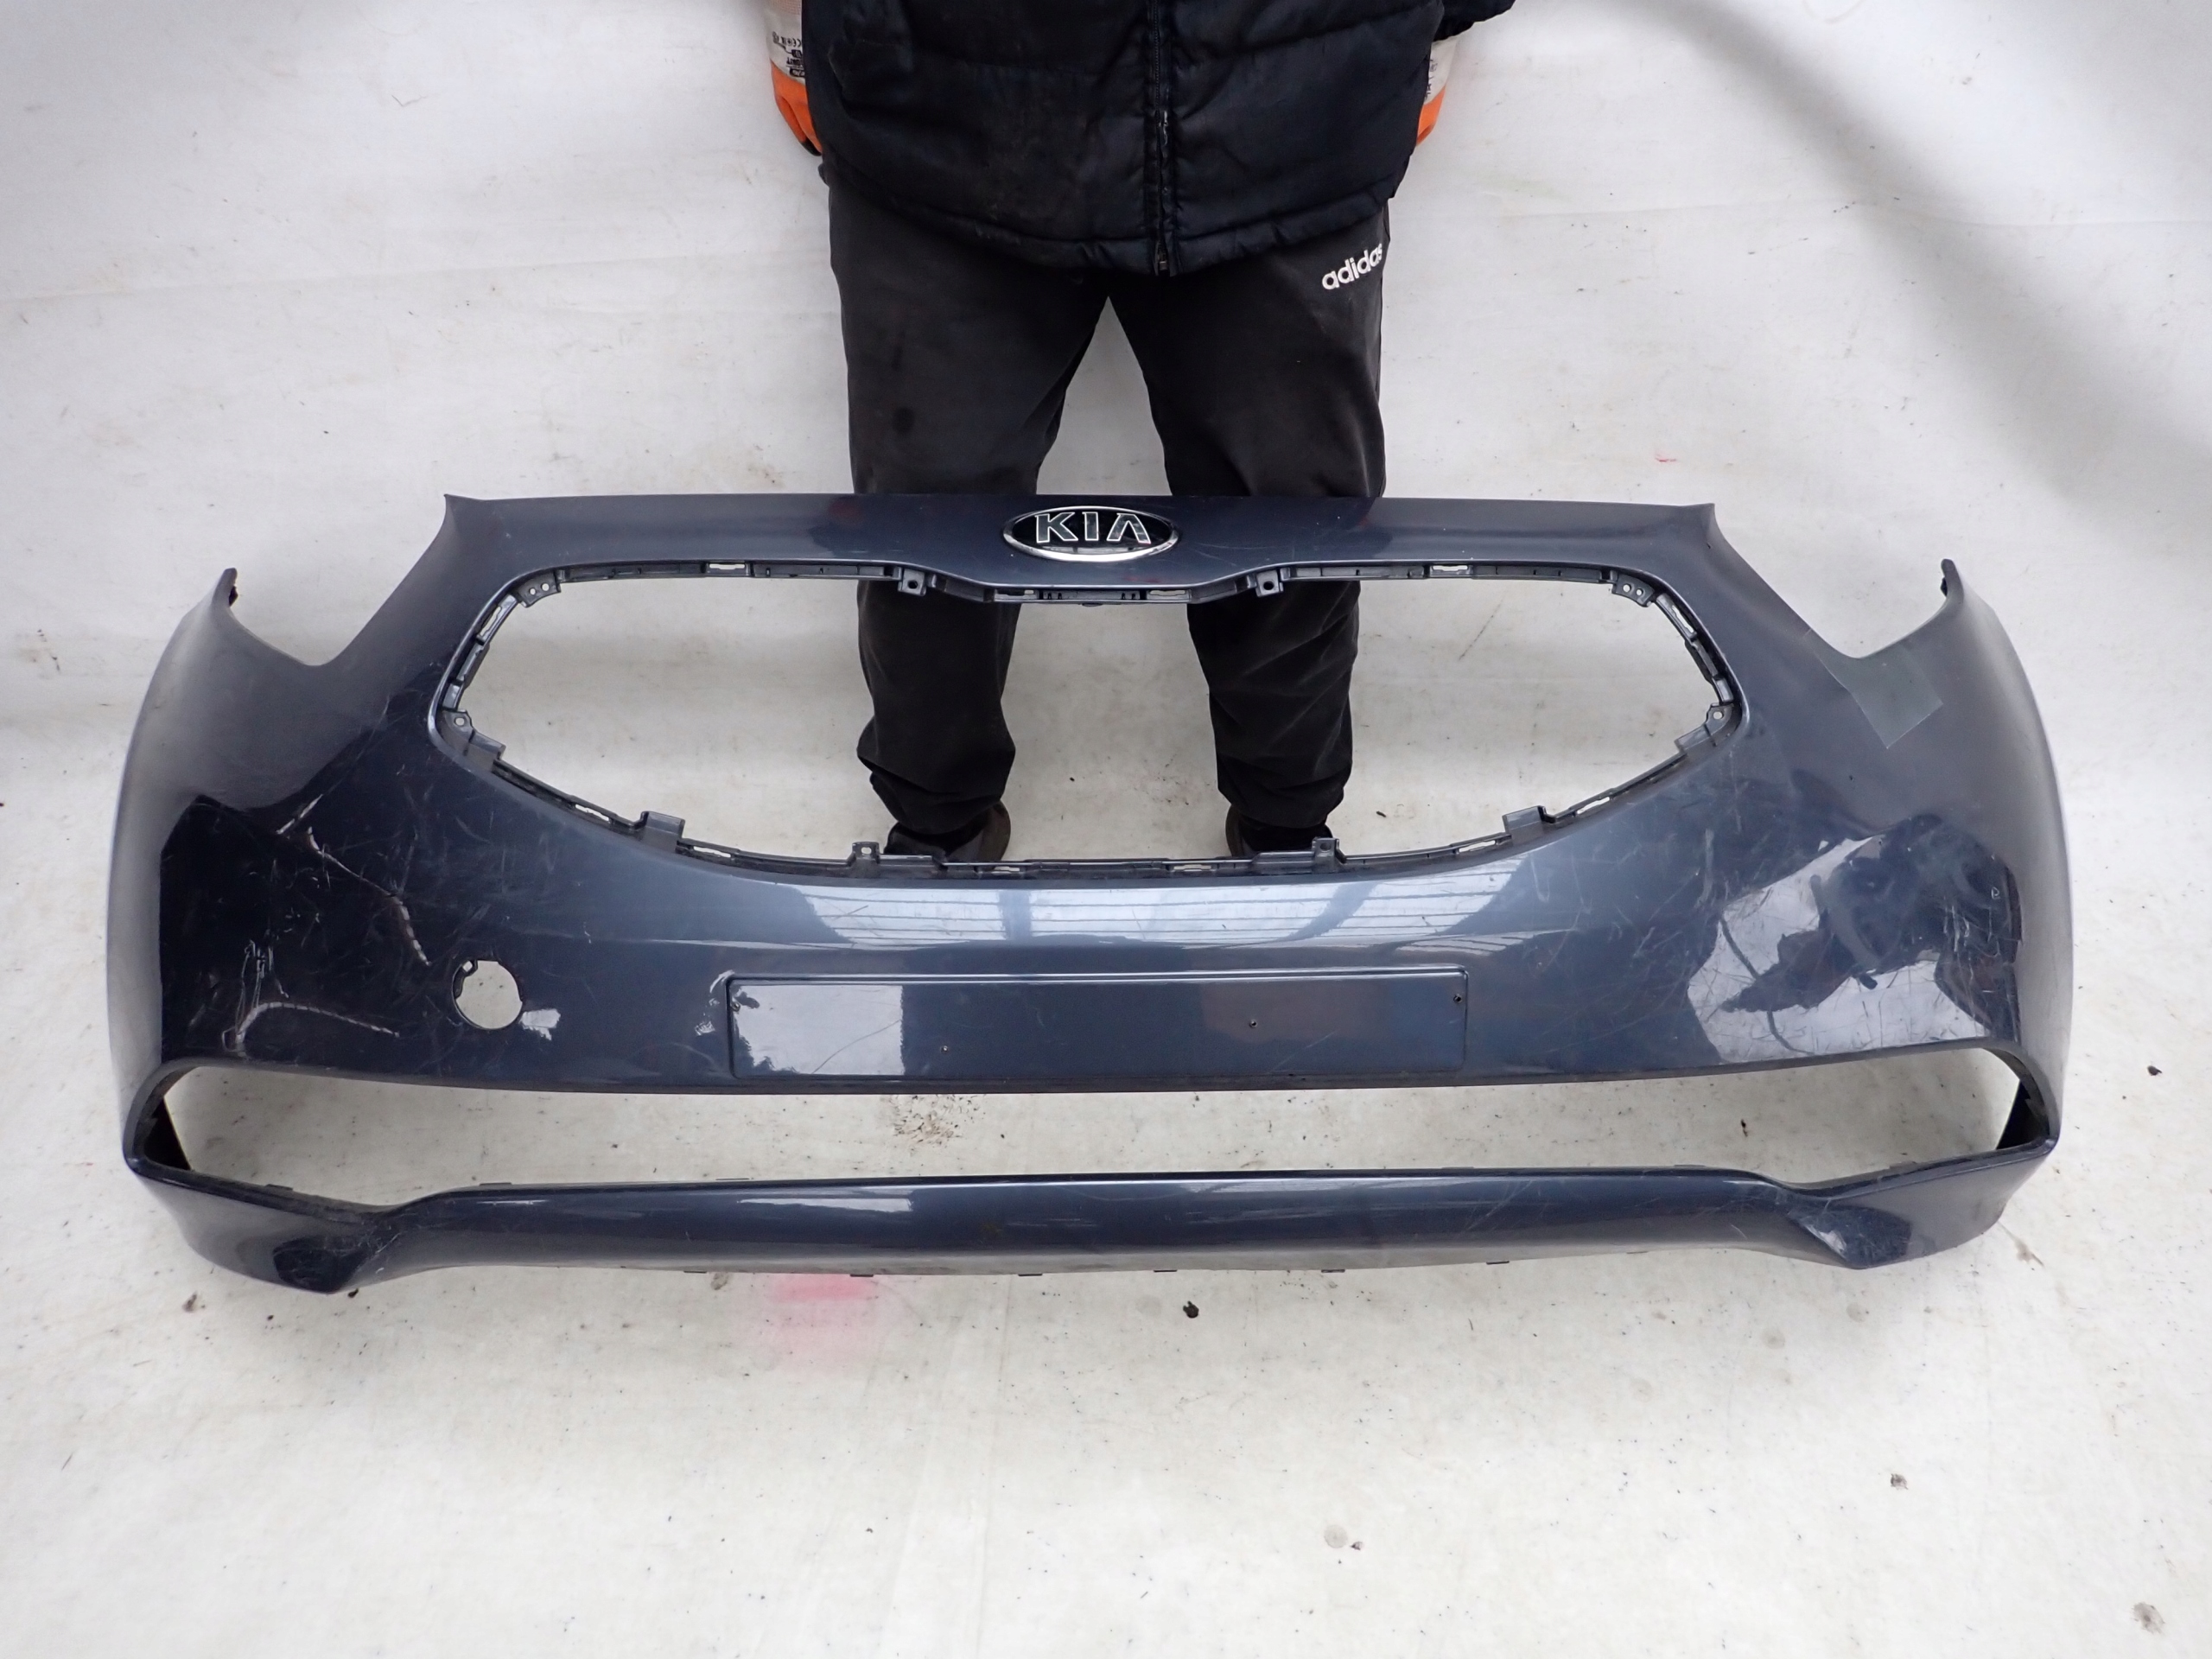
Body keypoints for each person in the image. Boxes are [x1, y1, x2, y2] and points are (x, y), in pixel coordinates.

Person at [799, 0, 1516, 861]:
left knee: (1296, 529)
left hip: (1296, 104)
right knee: (924, 537)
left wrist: (1433, 21)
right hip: (937, 113)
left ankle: (1286, 838)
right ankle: (936, 835)